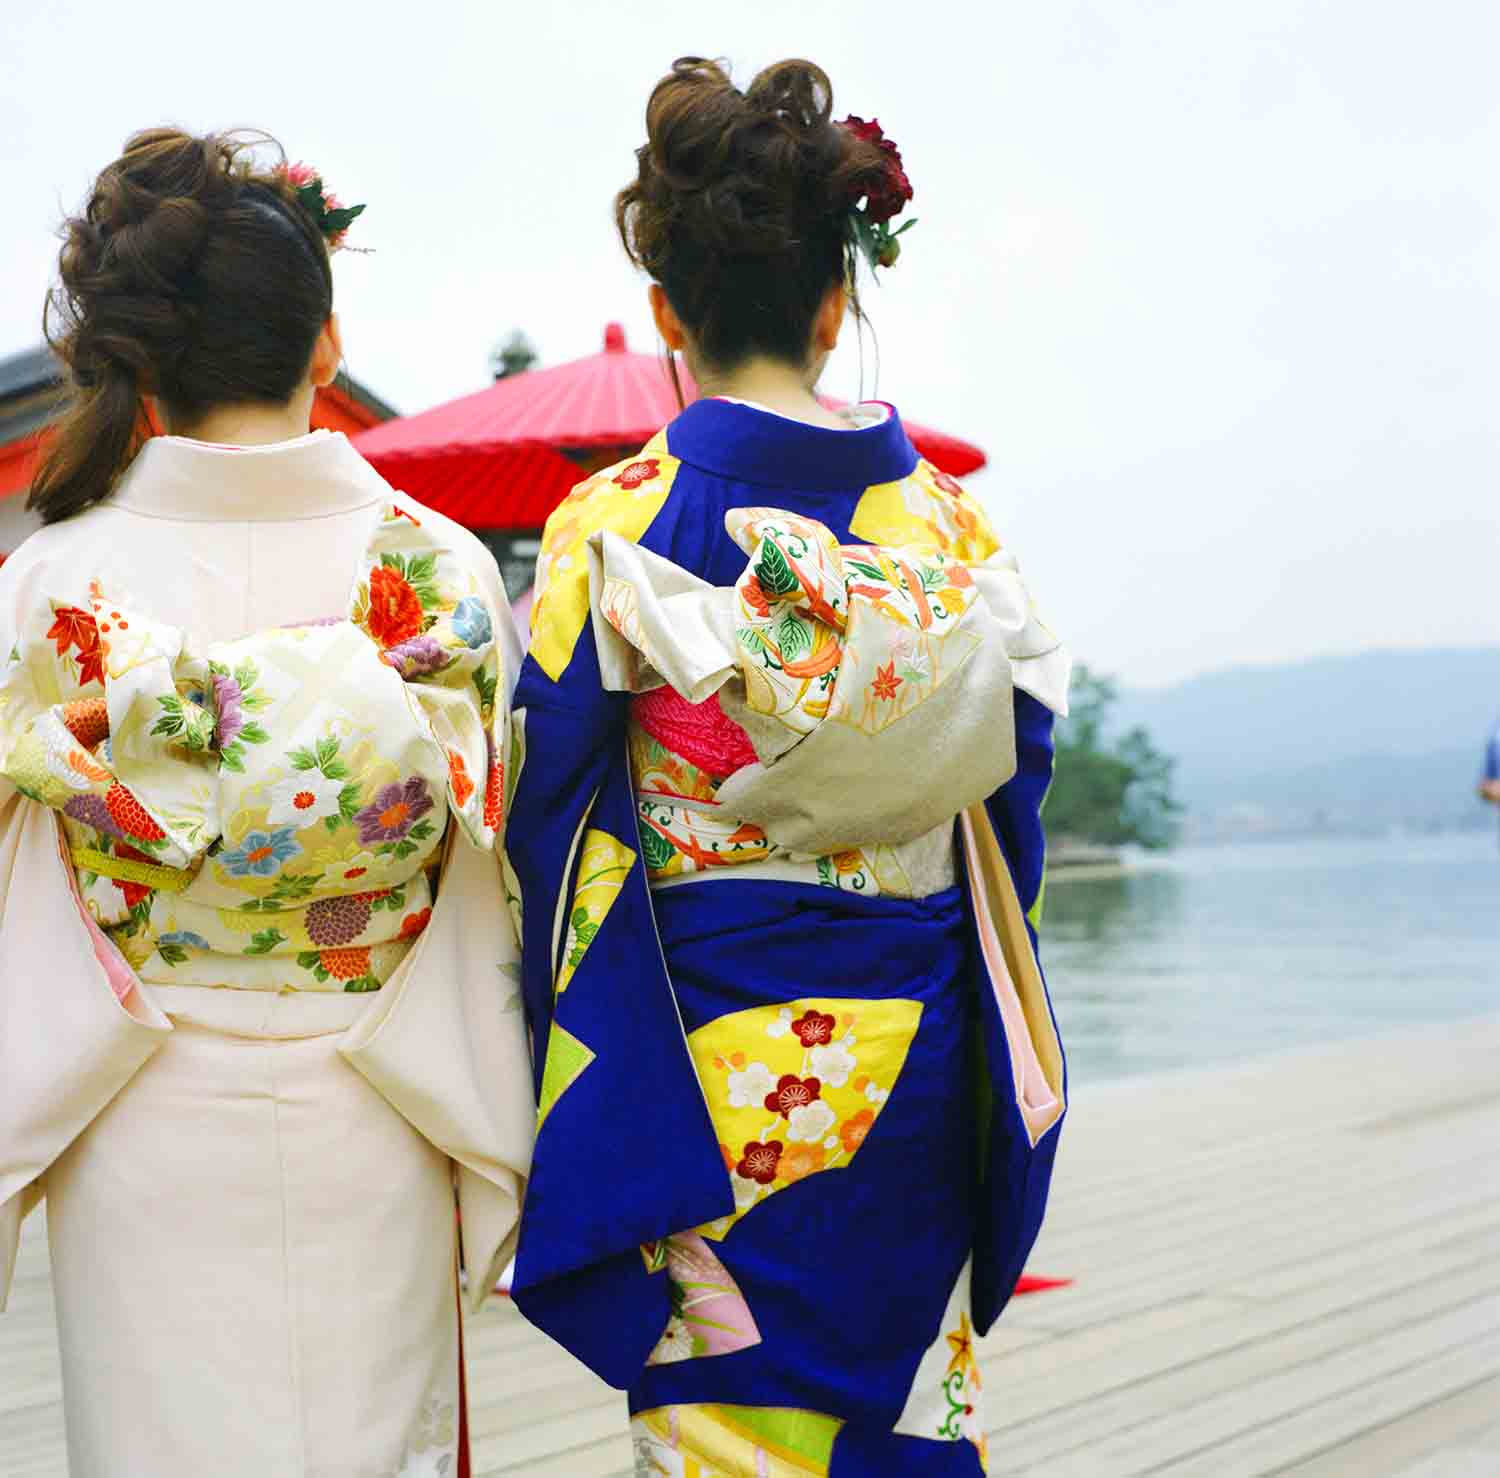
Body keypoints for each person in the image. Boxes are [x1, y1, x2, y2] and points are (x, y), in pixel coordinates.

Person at [506, 58, 1071, 1476]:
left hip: (701, 1059)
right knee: (901, 1410)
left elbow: (548, 814)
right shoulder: (946, 528)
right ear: (838, 301)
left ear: (667, 317)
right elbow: (1016, 786)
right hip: (920, 1043)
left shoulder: (613, 520)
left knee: (721, 1416)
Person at [0, 129, 533, 1477]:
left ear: (141, 364)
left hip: (134, 1106)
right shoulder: (448, 576)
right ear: (325, 337)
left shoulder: (52, 586)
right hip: (382, 1084)